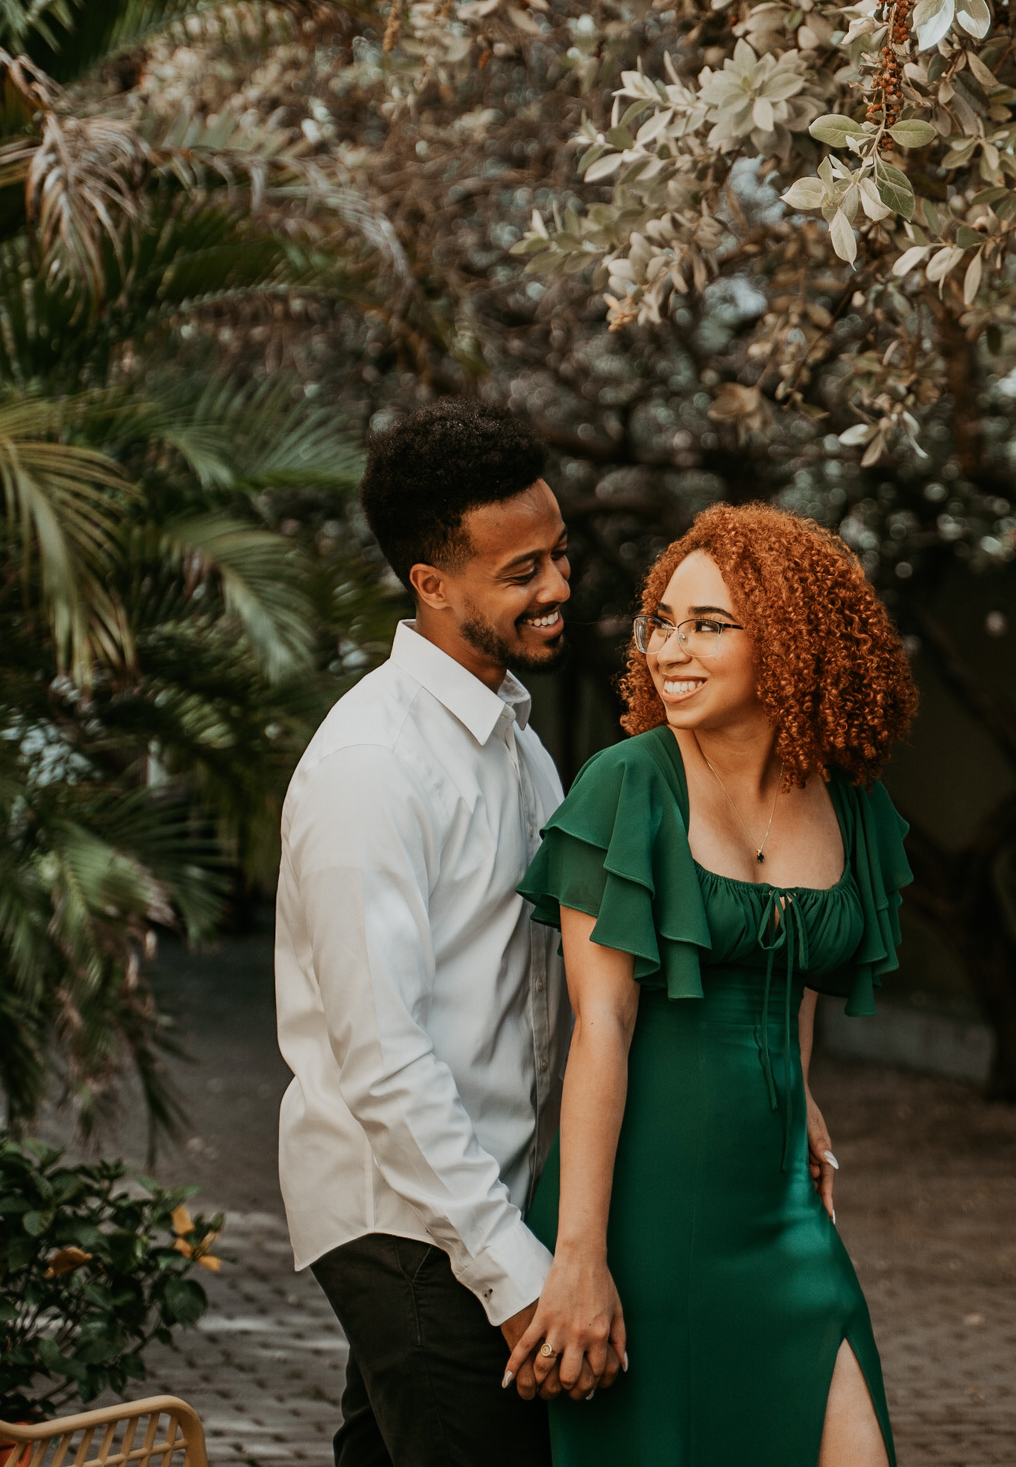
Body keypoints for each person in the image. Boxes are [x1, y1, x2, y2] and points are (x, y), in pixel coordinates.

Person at [507, 502, 919, 1467]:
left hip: (782, 1207)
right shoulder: (628, 785)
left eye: (709, 625)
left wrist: (800, 1087)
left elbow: (799, 976)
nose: (669, 650)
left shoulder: (850, 803)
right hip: (643, 1206)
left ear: (790, 643)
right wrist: (577, 1259)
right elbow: (599, 1030)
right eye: (664, 621)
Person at [275, 400, 606, 1467]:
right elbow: (381, 1056)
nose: (557, 588)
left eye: (558, 556)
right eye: (521, 572)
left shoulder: (514, 740)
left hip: (476, 1208)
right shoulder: (370, 764)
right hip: (416, 1230)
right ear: (433, 585)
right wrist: (510, 1272)